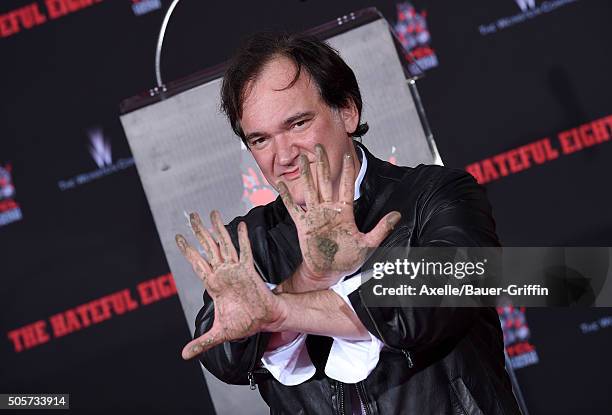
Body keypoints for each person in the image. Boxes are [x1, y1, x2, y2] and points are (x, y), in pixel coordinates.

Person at [175, 33, 522, 415]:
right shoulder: (249, 243)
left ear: (347, 111)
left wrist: (280, 312)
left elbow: (427, 305)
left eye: (297, 124)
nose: (283, 155)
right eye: (260, 140)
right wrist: (310, 275)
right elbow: (224, 353)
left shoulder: (435, 195)